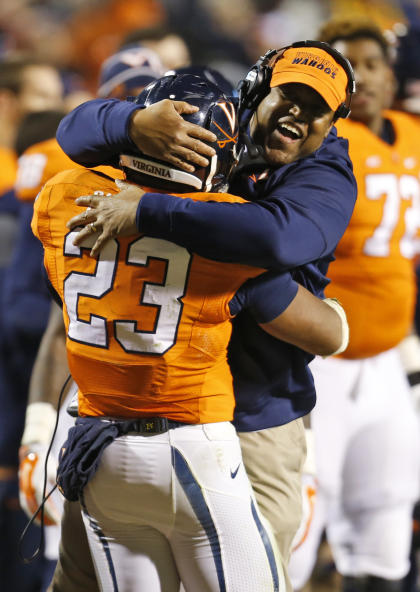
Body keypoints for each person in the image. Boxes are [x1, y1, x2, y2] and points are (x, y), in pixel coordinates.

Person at [55, 41, 357, 591]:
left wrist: (148, 209)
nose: (298, 114)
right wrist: (134, 120)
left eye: (317, 109)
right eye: (288, 96)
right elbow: (74, 127)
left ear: (335, 121)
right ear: (257, 88)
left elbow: (279, 238)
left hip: (252, 413)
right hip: (130, 405)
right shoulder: (202, 112)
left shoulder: (326, 168)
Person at [285, 18, 420, 592]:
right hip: (316, 364)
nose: (360, 78)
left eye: (370, 64)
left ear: (391, 75)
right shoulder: (312, 146)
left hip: (386, 361)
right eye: (346, 66)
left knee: (387, 514)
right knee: (297, 518)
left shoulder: (410, 135)